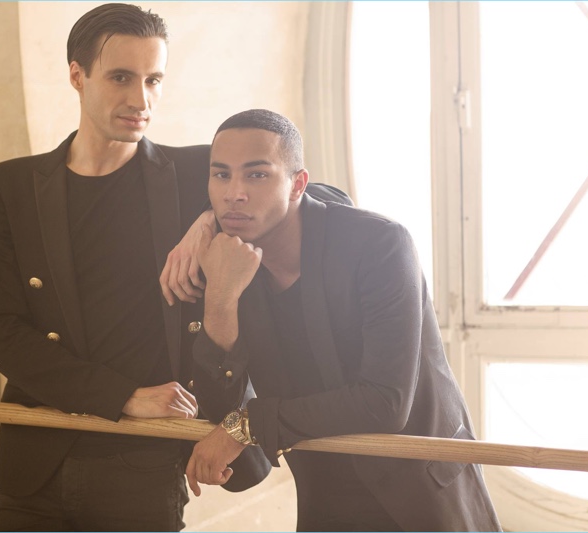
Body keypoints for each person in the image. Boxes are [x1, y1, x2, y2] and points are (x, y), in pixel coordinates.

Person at [0, 5, 349, 531]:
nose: (141, 99)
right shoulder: (12, 186)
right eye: (121, 78)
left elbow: (323, 198)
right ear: (76, 75)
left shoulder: (197, 171)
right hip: (35, 463)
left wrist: (206, 217)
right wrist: (122, 397)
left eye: (154, 79)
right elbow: (1, 332)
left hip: (144, 468)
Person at [181, 109, 502, 531]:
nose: (233, 193)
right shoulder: (227, 262)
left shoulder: (381, 244)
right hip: (326, 496)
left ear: (298, 184)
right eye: (221, 176)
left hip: (422, 493)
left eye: (257, 175)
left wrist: (245, 425)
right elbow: (224, 414)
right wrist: (220, 302)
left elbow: (385, 402)